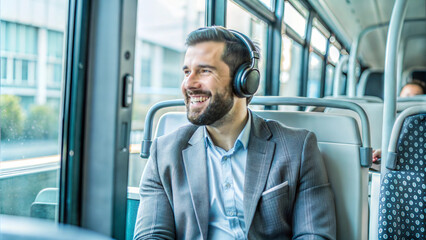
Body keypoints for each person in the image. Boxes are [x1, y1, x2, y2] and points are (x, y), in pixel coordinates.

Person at [133, 26, 336, 240]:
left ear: (245, 82)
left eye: (205, 71)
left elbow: (314, 235)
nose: (189, 84)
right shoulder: (164, 154)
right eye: (186, 72)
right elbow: (151, 235)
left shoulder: (298, 148)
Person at [372, 79, 426, 164]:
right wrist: (383, 152)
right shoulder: (389, 118)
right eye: (407, 96)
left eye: (416, 96)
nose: (410, 100)